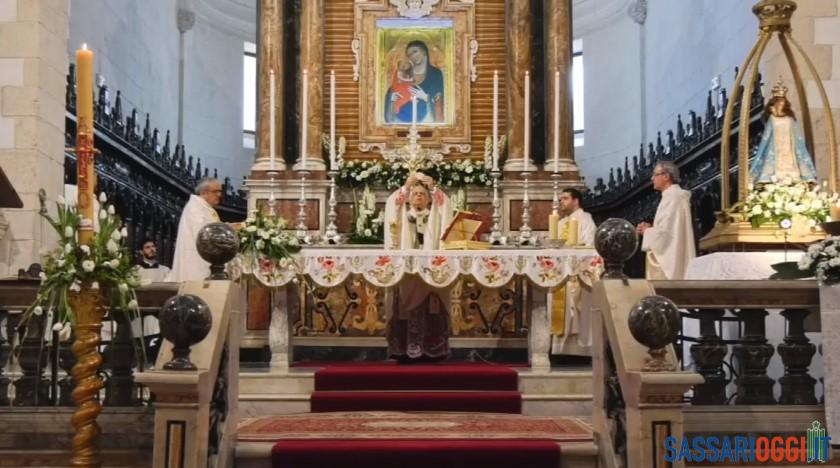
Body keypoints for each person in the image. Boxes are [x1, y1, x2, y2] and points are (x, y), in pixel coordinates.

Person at [383, 173, 452, 362]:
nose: (419, 196)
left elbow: (445, 207)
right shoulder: (402, 215)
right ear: (408, 199)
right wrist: (405, 188)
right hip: (406, 271)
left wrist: (435, 188)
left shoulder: (435, 216)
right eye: (415, 193)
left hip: (431, 270)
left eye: (423, 193)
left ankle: (433, 349)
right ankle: (403, 350)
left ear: (430, 199)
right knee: (403, 307)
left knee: (432, 307)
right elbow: (392, 205)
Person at [749, 79, 818, 185]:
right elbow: (766, 137)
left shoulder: (790, 119)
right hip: (775, 148)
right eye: (779, 102)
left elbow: (797, 137)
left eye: (782, 102)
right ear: (775, 103)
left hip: (789, 147)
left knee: (792, 165)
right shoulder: (772, 119)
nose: (781, 104)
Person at [636, 161, 696, 280]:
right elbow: (669, 229)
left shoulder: (673, 197)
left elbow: (666, 235)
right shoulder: (672, 196)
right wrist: (650, 229)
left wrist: (647, 231)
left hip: (670, 262)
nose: (652, 178)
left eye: (655, 174)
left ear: (666, 176)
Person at [166, 178, 222, 282]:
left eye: (220, 191)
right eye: (216, 191)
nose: (219, 195)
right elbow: (202, 233)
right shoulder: (195, 208)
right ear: (204, 192)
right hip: (196, 261)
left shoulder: (205, 208)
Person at [384, 40, 445, 124]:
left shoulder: (435, 74)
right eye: (409, 55)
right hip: (401, 117)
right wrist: (392, 98)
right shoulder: (405, 71)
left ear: (424, 52)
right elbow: (393, 89)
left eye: (415, 52)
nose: (412, 56)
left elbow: (438, 101)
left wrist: (425, 97)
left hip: (425, 120)